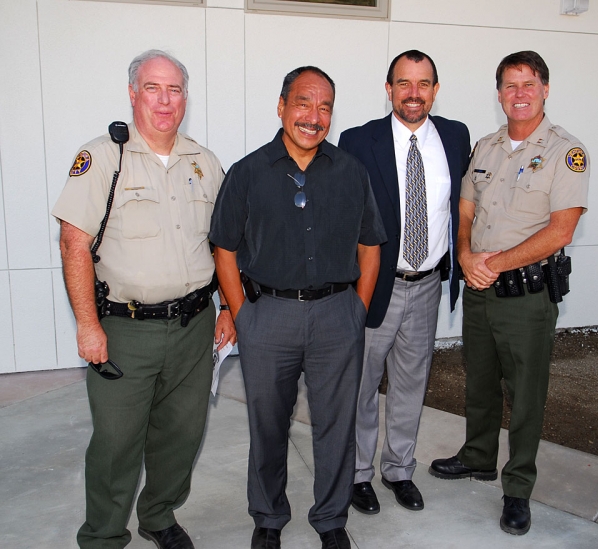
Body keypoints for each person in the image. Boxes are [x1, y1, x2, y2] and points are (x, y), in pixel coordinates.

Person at [52, 49, 235, 549]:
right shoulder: (102, 157)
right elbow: (74, 243)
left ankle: (158, 516)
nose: (164, 100)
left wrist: (226, 307)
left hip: (195, 325)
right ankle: (105, 535)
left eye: (174, 89)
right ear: (133, 94)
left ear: (186, 98)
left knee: (182, 434)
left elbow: (223, 243)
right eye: (153, 88)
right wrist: (88, 326)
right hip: (124, 330)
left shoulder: (203, 161)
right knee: (115, 443)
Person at [209, 66, 386, 549]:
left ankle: (331, 521)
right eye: (304, 103)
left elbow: (371, 245)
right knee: (267, 424)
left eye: (325, 106)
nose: (314, 116)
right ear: (282, 105)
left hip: (336, 317)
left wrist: (357, 308)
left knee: (335, 426)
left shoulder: (350, 171)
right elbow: (224, 248)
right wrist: (243, 313)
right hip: (268, 317)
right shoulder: (247, 172)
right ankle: (268, 517)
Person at [429, 50, 589, 536]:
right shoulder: (487, 147)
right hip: (480, 290)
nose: (518, 94)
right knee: (478, 379)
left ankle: (517, 487)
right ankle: (478, 456)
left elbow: (561, 230)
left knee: (524, 394)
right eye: (509, 85)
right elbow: (466, 210)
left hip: (526, 295)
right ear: (498, 94)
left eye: (528, 84)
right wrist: (464, 255)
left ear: (544, 90)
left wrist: (492, 263)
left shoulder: (566, 151)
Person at [338, 50, 470, 514]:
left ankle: (398, 469)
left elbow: (462, 206)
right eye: (404, 83)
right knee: (363, 384)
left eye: (423, 83)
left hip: (428, 283)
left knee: (412, 383)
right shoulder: (358, 140)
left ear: (435, 89)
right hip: (377, 284)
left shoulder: (455, 137)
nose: (413, 93)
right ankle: (357, 475)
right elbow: (345, 216)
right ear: (389, 88)